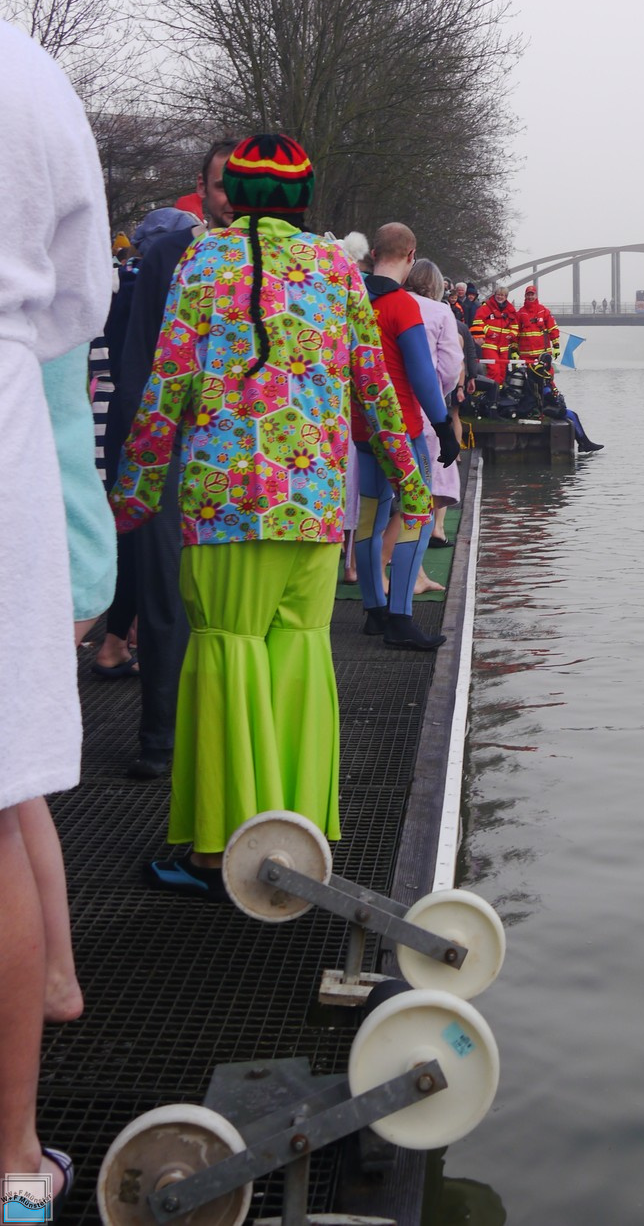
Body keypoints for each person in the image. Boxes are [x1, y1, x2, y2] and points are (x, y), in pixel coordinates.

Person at [110, 136, 429, 897]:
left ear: (238, 193)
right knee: (299, 660)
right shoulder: (335, 269)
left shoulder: (204, 262)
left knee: (227, 657)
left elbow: (167, 382)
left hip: (225, 504)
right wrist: (411, 485)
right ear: (304, 197)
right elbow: (374, 387)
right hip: (314, 505)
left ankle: (216, 852)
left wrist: (135, 491)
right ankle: (300, 837)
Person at [0, 19, 114, 1206]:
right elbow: (82, 295)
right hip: (18, 482)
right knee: (5, 797)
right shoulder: (25, 79)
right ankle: (12, 1163)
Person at [102, 150, 236, 777]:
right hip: (174, 448)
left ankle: (222, 737)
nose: (233, 198)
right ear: (201, 189)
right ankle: (161, 737)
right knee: (164, 596)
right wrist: (137, 464)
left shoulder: (286, 262)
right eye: (223, 185)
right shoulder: (168, 257)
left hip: (245, 456)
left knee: (229, 603)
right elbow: (137, 362)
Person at [354, 223, 461, 650]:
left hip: (360, 426)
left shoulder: (352, 299)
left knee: (369, 516)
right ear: (411, 255)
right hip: (401, 429)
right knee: (417, 515)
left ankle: (373, 611)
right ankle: (400, 618)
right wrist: (443, 426)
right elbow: (421, 374)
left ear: (373, 253)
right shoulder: (402, 305)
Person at [406, 258, 465, 552]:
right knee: (426, 480)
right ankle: (415, 555)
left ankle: (368, 559)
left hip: (387, 401)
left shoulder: (390, 303)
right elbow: (451, 365)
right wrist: (439, 391)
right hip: (425, 406)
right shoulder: (441, 311)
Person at [471, 286, 518, 384]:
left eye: (502, 295)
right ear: (494, 295)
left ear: (506, 297)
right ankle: (492, 390)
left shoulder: (510, 309)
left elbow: (515, 326)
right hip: (489, 344)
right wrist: (489, 332)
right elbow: (477, 322)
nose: (500, 297)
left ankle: (498, 390)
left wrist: (511, 334)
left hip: (504, 346)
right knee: (494, 370)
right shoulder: (486, 307)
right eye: (498, 295)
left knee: (502, 372)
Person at [516, 284, 560, 366]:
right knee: (526, 373)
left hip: (543, 353)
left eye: (532, 294)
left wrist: (556, 346)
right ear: (525, 296)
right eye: (528, 295)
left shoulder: (543, 311)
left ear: (536, 296)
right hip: (526, 354)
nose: (530, 297)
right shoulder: (520, 313)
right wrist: (514, 349)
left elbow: (553, 328)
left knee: (547, 373)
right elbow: (515, 332)